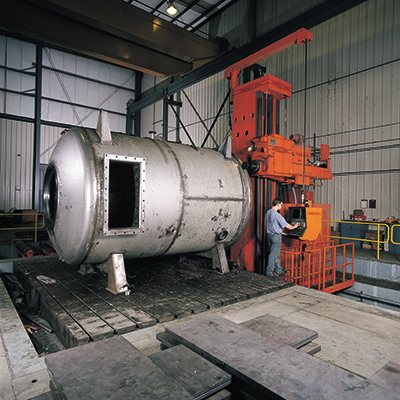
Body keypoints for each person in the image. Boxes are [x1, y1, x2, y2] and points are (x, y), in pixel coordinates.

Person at [265, 198, 300, 277]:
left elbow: (272, 224)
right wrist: (295, 226)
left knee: (275, 254)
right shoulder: (277, 215)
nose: (281, 206)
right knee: (273, 255)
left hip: (270, 235)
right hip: (276, 237)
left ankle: (278, 270)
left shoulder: (268, 212)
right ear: (278, 204)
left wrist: (280, 231)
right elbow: (288, 227)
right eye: (281, 205)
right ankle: (269, 271)